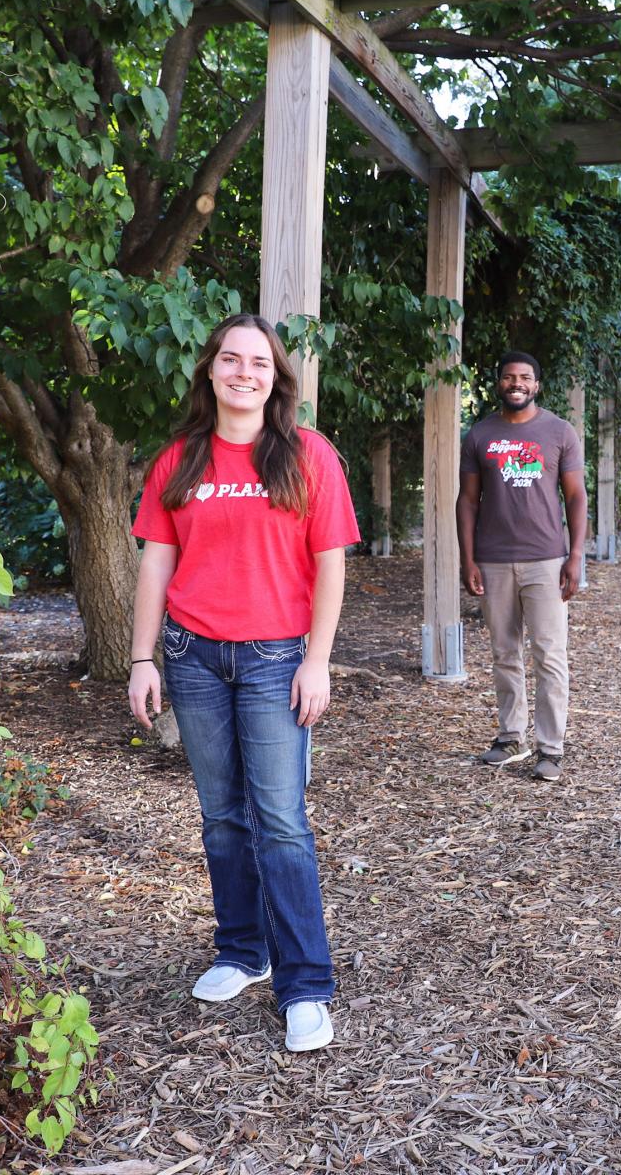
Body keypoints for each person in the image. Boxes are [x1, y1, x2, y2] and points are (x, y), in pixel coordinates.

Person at [127, 312, 358, 1053]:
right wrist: (142, 658)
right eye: (231, 360)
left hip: (274, 661)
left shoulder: (307, 455)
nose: (245, 373)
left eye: (259, 363)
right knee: (222, 816)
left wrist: (317, 661)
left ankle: (306, 984)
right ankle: (242, 951)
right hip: (194, 658)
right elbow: (156, 564)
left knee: (281, 820)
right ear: (211, 371)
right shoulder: (179, 460)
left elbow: (331, 564)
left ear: (275, 378)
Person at [456, 351, 589, 783]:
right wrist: (467, 556)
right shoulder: (480, 435)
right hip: (493, 559)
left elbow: (575, 496)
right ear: (499, 383)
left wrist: (574, 555)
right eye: (509, 376)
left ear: (537, 385)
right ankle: (511, 736)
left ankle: (551, 748)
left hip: (546, 559)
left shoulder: (558, 431)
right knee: (503, 653)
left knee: (550, 654)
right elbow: (467, 500)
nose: (517, 383)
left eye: (525, 377)